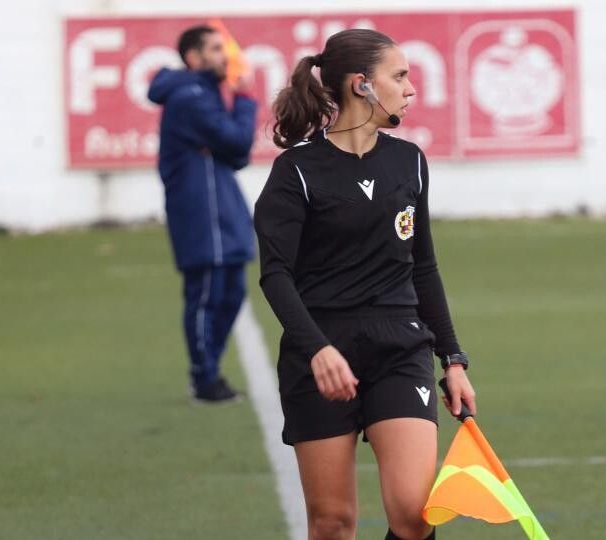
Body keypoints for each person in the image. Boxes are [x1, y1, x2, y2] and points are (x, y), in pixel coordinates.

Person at [254, 29, 477, 540]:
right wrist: (317, 349)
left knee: (417, 515)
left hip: (401, 347)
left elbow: (423, 267)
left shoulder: (409, 161)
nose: (410, 88)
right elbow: (276, 274)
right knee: (333, 524)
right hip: (323, 352)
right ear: (361, 85)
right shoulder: (297, 172)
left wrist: (454, 360)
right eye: (399, 76)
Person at [147, 25, 257, 403]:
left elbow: (237, 155)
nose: (224, 55)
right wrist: (243, 98)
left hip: (220, 205)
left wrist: (227, 139)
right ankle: (204, 377)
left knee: (232, 292)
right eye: (214, 48)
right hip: (200, 211)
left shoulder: (203, 94)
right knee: (206, 294)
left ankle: (208, 371)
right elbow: (237, 141)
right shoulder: (190, 95)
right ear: (193, 57)